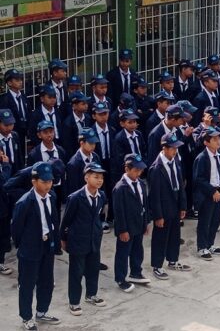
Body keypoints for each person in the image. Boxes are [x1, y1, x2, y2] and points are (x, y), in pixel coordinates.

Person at [11, 162, 61, 331]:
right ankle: (26, 317)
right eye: (43, 181)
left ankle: (42, 311)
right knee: (27, 283)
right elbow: (16, 229)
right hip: (30, 247)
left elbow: (54, 219)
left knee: (47, 281)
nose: (47, 185)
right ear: (33, 181)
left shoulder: (52, 197)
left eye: (50, 181)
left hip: (48, 244)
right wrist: (24, 246)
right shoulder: (25, 202)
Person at [60, 162, 107, 316]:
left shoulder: (102, 195)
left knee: (93, 269)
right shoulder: (75, 198)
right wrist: (63, 239)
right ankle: (74, 302)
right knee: (76, 272)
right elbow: (66, 221)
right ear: (86, 177)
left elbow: (100, 216)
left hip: (94, 239)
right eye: (96, 177)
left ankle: (91, 295)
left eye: (101, 177)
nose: (99, 180)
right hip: (78, 241)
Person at [148, 132, 191, 279]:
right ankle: (157, 266)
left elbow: (180, 185)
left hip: (175, 205)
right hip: (163, 208)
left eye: (176, 148)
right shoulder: (156, 168)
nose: (175, 151)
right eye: (172, 148)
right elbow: (154, 195)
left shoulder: (175, 162)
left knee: (174, 235)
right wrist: (158, 216)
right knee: (160, 238)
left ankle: (173, 260)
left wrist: (183, 206)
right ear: (164, 148)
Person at [112, 154, 151, 292]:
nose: (138, 173)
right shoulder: (120, 188)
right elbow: (118, 212)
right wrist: (122, 230)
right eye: (135, 170)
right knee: (123, 252)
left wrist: (146, 222)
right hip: (126, 227)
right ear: (127, 169)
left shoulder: (140, 183)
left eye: (140, 170)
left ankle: (136, 272)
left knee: (137, 250)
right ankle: (121, 278)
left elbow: (144, 204)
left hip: (138, 224)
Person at [194, 126, 220, 259]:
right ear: (206, 142)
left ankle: (210, 244)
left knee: (215, 220)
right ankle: (202, 247)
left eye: (218, 138)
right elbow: (198, 179)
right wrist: (212, 191)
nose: (218, 141)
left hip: (219, 191)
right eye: (214, 139)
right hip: (207, 194)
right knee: (205, 221)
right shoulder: (201, 158)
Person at [0, 68, 31, 145]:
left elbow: (28, 112)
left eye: (21, 79)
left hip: (24, 130)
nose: (20, 82)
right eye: (17, 80)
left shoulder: (23, 96)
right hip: (12, 131)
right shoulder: (5, 99)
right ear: (9, 83)